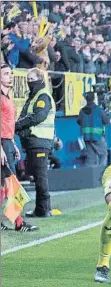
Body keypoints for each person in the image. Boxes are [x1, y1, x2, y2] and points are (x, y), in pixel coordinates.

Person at [15, 68, 56, 218]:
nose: (29, 82)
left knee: (40, 176)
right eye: (28, 79)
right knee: (36, 176)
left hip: (40, 141)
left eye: (32, 79)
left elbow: (38, 117)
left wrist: (17, 125)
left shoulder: (43, 96)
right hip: (33, 141)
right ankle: (42, 208)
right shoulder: (33, 96)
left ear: (39, 79)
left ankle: (44, 209)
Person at [77, 92, 110, 166]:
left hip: (87, 138)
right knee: (103, 154)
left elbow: (79, 122)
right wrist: (108, 112)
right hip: (98, 138)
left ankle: (89, 175)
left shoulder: (82, 111)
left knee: (90, 158)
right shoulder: (99, 110)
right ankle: (101, 173)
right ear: (94, 98)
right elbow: (106, 121)